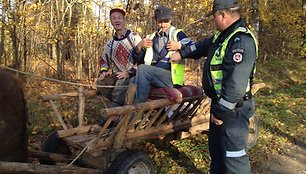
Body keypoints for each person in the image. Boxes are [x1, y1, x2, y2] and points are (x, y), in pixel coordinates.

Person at [170, 0, 258, 173]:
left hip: (232, 111)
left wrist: (220, 112)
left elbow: (235, 88)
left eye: (214, 17)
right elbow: (200, 46)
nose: (214, 21)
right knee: (217, 156)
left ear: (222, 15)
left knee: (234, 160)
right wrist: (181, 53)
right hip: (220, 106)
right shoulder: (222, 36)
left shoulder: (241, 41)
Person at [132, 5, 193, 103]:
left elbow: (194, 48)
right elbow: (138, 59)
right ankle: (121, 113)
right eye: (160, 22)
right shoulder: (150, 37)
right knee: (132, 81)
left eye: (166, 21)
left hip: (171, 78)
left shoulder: (178, 34)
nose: (163, 25)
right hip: (153, 76)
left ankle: (139, 110)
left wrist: (180, 46)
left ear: (170, 20)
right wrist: (139, 47)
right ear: (156, 21)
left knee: (143, 69)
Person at [96, 7, 142, 108]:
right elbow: (103, 59)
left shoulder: (134, 37)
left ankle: (112, 115)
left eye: (119, 18)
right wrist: (104, 71)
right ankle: (120, 103)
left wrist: (129, 72)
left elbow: (143, 59)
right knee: (100, 83)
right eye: (114, 18)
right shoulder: (110, 43)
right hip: (117, 74)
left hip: (134, 74)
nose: (117, 20)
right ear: (111, 22)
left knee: (121, 83)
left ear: (124, 20)